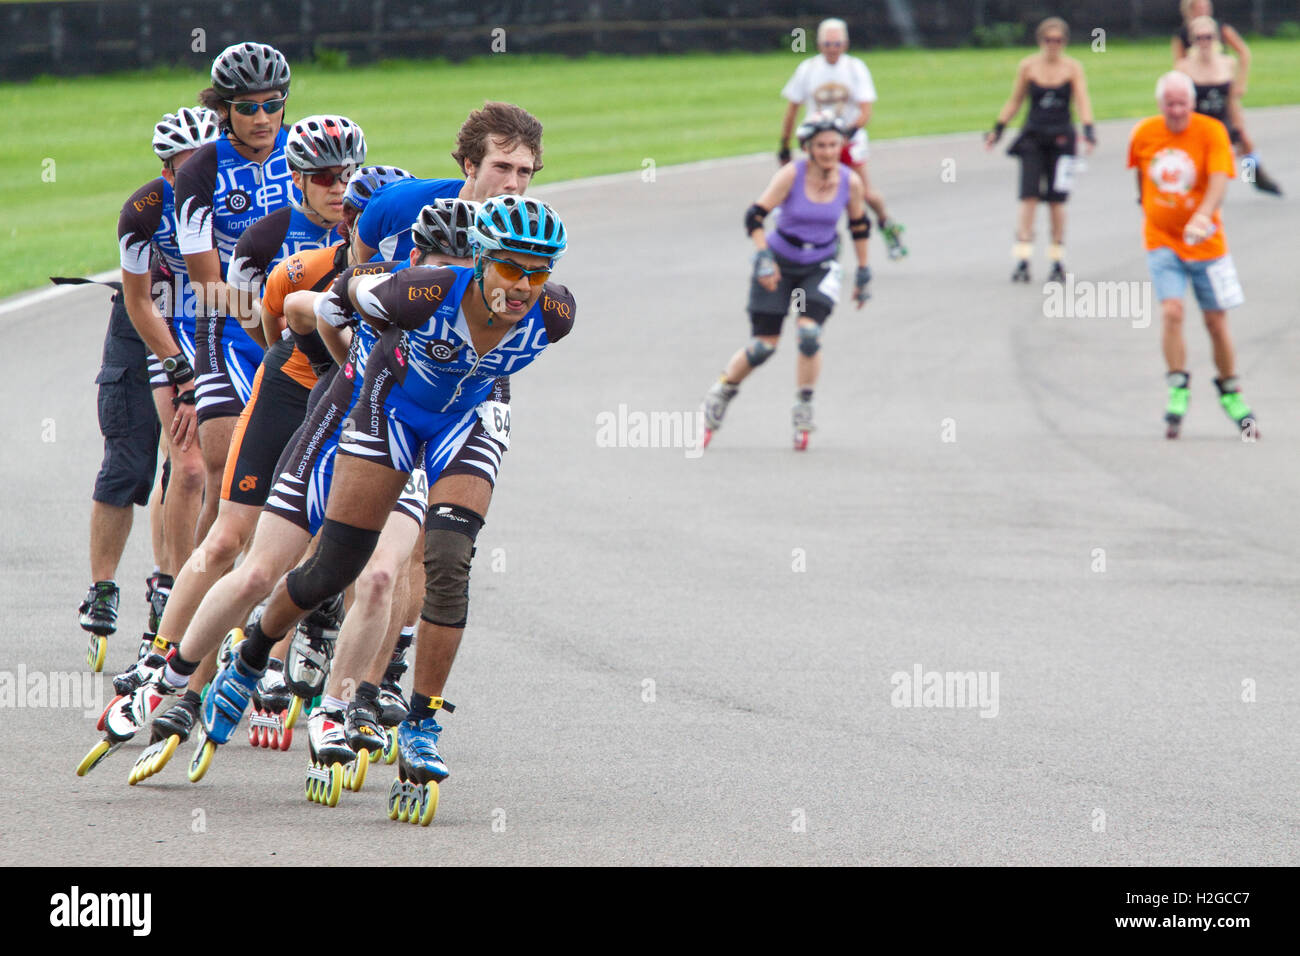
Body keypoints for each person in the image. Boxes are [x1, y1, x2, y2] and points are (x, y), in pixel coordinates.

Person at [196, 196, 575, 823]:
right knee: (333, 570)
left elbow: (503, 356)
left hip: (464, 423)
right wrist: (343, 367)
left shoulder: (556, 312)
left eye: (537, 272)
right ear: (480, 260)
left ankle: (424, 723)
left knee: (450, 560)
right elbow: (334, 303)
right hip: (389, 410)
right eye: (510, 268)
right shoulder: (420, 293)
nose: (522, 288)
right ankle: (256, 648)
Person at [118, 116, 367, 744]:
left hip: (340, 386)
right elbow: (256, 327)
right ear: (299, 179)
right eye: (325, 178)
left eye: (349, 176)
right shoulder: (266, 239)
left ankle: (278, 658)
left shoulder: (380, 232)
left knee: (310, 533)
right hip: (265, 367)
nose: (340, 188)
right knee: (229, 526)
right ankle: (168, 660)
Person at [80, 107, 221, 673]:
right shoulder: (143, 211)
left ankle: (171, 585)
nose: (198, 179)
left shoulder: (239, 198)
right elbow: (141, 303)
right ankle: (104, 587)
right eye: (186, 169)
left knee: (187, 468)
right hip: (144, 323)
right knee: (129, 461)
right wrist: (180, 372)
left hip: (207, 324)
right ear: (166, 172)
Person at [175, 41, 294, 547]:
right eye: (248, 108)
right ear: (223, 110)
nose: (262, 117)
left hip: (300, 326)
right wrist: (274, 320)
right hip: (230, 329)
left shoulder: (308, 153)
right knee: (225, 473)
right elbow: (206, 282)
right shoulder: (200, 170)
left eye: (273, 103)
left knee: (293, 475)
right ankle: (189, 608)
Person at [702, 113, 870, 451]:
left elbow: (859, 226)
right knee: (763, 346)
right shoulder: (792, 175)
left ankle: (803, 407)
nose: (827, 151)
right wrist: (763, 256)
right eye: (820, 145)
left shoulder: (850, 182)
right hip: (778, 263)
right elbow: (755, 216)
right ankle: (721, 391)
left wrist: (864, 271)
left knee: (809, 334)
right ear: (807, 147)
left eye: (834, 145)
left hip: (819, 265)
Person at [1128, 72, 1256, 439]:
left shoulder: (1211, 131)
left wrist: (1202, 214)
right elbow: (1141, 176)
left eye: (1182, 103)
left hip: (1207, 244)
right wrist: (1149, 210)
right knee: (1172, 311)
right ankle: (1177, 385)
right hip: (1162, 239)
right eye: (1170, 104)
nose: (1177, 110)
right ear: (1160, 105)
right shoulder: (1144, 133)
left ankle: (1231, 391)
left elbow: (1219, 178)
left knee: (1216, 321)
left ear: (1192, 103)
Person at [778, 17, 907, 260]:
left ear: (845, 44)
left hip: (850, 138)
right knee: (817, 191)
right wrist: (784, 143)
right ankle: (827, 240)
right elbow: (792, 108)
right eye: (828, 44)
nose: (832, 50)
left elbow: (866, 111)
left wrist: (844, 134)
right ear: (819, 44)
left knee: (864, 193)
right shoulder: (807, 69)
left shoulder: (855, 68)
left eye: (837, 44)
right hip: (817, 141)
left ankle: (886, 224)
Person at [351, 101, 543, 263]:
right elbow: (358, 261)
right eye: (502, 167)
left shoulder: (531, 235)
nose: (513, 184)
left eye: (524, 171)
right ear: (470, 165)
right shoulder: (400, 202)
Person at [985, 17, 1095, 284]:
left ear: (1064, 42)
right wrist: (997, 129)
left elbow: (1082, 101)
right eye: (1048, 40)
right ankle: (1022, 256)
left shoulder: (1072, 68)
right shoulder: (1028, 66)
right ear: (1040, 41)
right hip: (1033, 135)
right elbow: (1015, 101)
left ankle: (1057, 257)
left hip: (1061, 138)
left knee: (1057, 200)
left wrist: (1089, 131)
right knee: (1029, 197)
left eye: (1058, 41)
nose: (1053, 46)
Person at [1174, 13, 1281, 196]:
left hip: (1223, 117)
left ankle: (1253, 178)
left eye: (1208, 37)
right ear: (1193, 40)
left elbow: (1231, 99)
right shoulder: (1184, 67)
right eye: (1199, 38)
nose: (1204, 42)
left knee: (1245, 143)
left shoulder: (1227, 63)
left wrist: (1238, 123)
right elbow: (1181, 102)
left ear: (1215, 38)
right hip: (1199, 120)